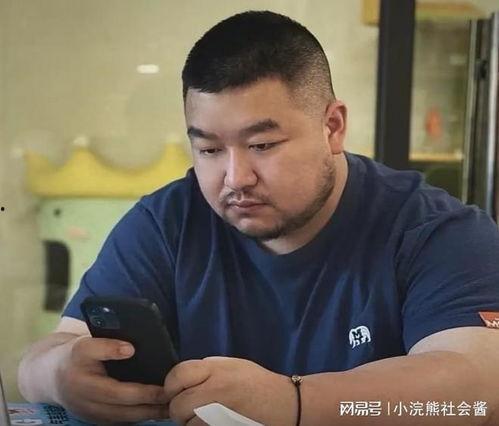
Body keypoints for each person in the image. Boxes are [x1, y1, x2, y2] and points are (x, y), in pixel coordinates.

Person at [17, 10, 499, 426]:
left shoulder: (436, 232)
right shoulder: (168, 222)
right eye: (209, 149)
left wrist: (294, 402)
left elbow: (479, 392)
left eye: (262, 145)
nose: (235, 177)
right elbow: (44, 358)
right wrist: (60, 375)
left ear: (332, 127)